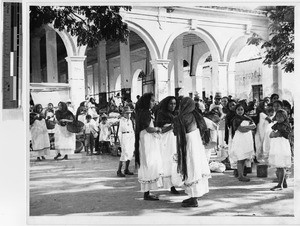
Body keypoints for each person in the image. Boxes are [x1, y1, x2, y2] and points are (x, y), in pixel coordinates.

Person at [173, 97, 211, 207]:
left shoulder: (180, 117)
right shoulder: (196, 115)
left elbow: (176, 132)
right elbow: (203, 127)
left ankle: (193, 199)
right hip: (196, 142)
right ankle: (194, 196)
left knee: (190, 166)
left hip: (188, 143)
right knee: (196, 166)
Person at [134, 93, 163, 201]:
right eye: (152, 101)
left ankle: (147, 191)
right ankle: (146, 193)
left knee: (147, 163)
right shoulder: (145, 112)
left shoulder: (141, 112)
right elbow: (148, 128)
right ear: (147, 101)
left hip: (145, 139)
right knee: (148, 163)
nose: (154, 103)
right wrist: (157, 129)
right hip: (146, 139)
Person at [156, 96, 182, 194]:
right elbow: (160, 130)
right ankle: (169, 185)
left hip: (174, 139)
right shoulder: (161, 114)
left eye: (174, 104)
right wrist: (172, 126)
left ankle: (175, 182)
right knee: (167, 161)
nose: (173, 106)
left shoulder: (175, 113)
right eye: (171, 104)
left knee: (174, 160)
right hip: (166, 140)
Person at [230, 103, 256, 182]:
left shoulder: (247, 118)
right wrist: (248, 128)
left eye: (241, 109)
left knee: (244, 157)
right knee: (240, 157)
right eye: (238, 110)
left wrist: (246, 128)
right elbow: (241, 130)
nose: (240, 111)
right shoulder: (235, 119)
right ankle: (240, 175)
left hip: (247, 139)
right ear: (236, 110)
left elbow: (254, 126)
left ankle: (241, 174)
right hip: (240, 139)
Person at [268, 109, 292, 191]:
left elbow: (276, 134)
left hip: (281, 146)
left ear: (285, 117)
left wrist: (274, 134)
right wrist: (273, 134)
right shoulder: (276, 125)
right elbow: (271, 135)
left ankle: (279, 185)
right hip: (276, 145)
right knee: (279, 165)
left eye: (281, 116)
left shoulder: (285, 125)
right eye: (277, 116)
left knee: (281, 166)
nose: (279, 118)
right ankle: (283, 182)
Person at [117, 106, 135, 177]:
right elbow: (119, 131)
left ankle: (126, 169)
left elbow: (132, 129)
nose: (128, 115)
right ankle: (119, 170)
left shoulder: (130, 121)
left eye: (129, 113)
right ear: (123, 114)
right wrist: (119, 140)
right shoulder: (121, 120)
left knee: (130, 153)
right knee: (124, 153)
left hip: (131, 136)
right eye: (127, 113)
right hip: (124, 136)